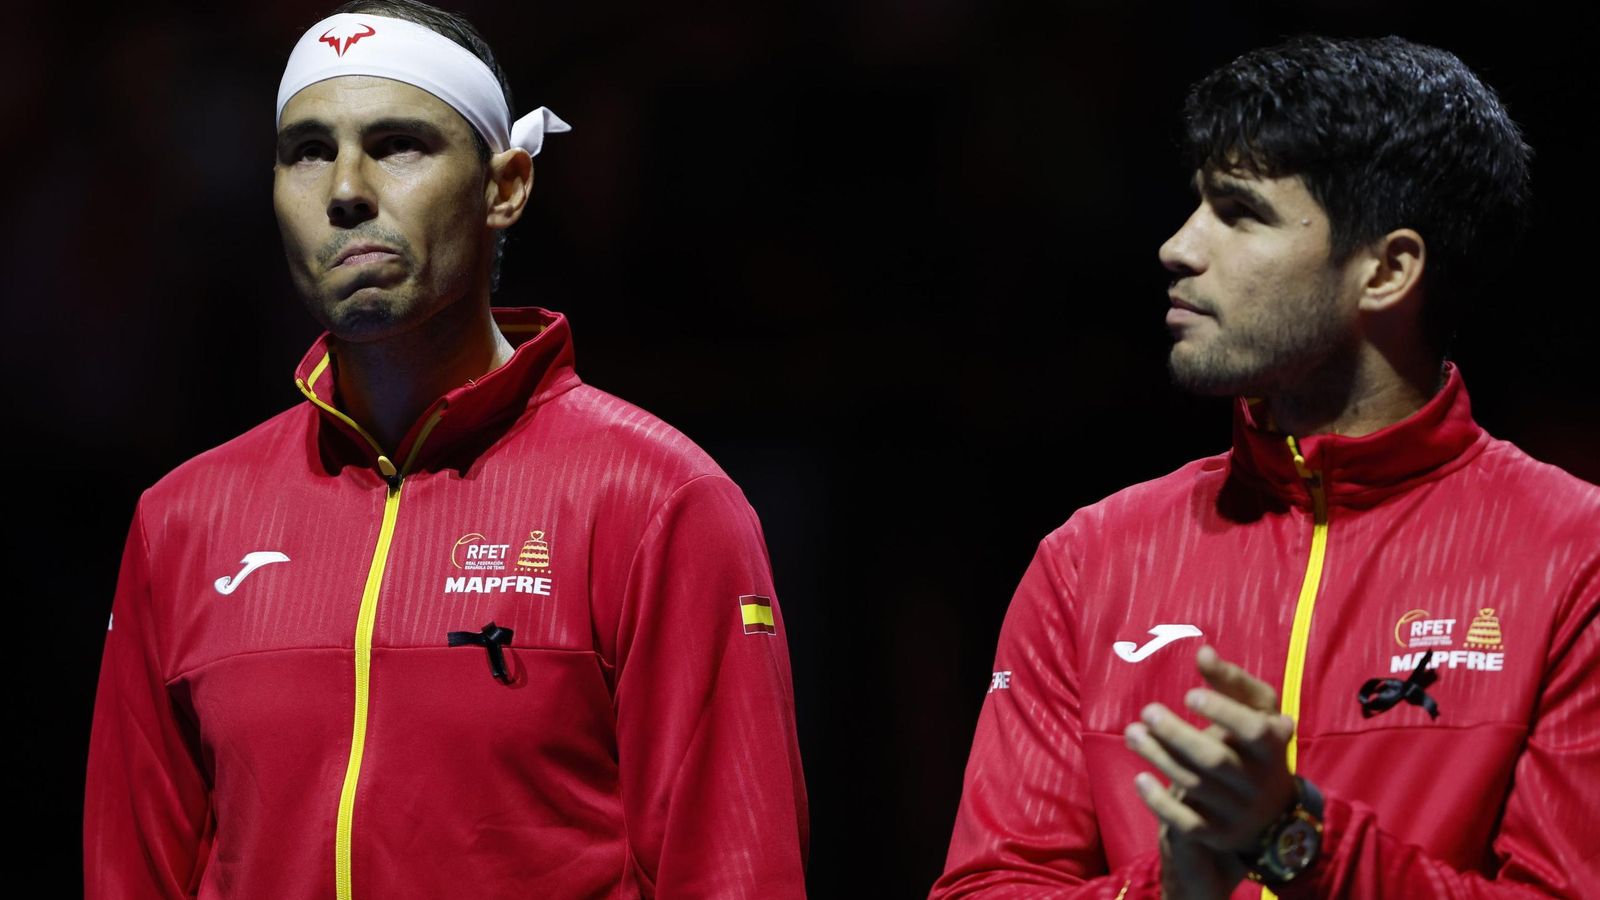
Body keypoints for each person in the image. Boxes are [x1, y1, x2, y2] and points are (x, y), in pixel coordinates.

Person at [83, 2, 808, 897]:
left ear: (505, 186)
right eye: (308, 151)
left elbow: (734, 874)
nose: (345, 189)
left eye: (397, 146)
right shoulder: (181, 522)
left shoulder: (660, 501)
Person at [932, 35, 1597, 899]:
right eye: (1195, 204)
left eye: (1239, 212)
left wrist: (1296, 841)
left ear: (1388, 270)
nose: (1178, 247)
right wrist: (1167, 891)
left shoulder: (1572, 558)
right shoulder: (1090, 560)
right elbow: (990, 887)